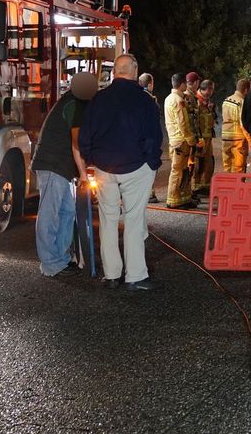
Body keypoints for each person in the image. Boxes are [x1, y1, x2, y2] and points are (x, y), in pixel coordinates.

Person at [78, 54, 162, 291]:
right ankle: (134, 276)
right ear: (134, 70)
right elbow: (153, 136)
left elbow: (84, 136)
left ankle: (112, 274)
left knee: (108, 219)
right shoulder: (144, 100)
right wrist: (152, 162)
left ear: (114, 71)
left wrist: (92, 158)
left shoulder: (98, 100)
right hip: (136, 166)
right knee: (134, 221)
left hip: (105, 167)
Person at [31, 72, 99, 277]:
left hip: (58, 165)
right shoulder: (74, 105)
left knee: (66, 212)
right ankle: (51, 263)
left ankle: (61, 258)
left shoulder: (73, 102)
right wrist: (84, 175)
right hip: (53, 164)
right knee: (49, 214)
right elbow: (76, 144)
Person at [163, 73, 200, 209]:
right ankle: (173, 200)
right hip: (181, 141)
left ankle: (182, 198)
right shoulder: (179, 100)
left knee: (183, 170)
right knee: (178, 171)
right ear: (182, 84)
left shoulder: (169, 98)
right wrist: (191, 140)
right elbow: (183, 123)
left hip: (175, 139)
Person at [138, 72, 162, 204]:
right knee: (149, 166)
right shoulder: (149, 99)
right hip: (149, 139)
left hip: (139, 139)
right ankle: (149, 194)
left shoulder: (135, 97)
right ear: (150, 84)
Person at [193, 79, 218, 194]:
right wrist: (197, 139)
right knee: (198, 163)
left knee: (209, 162)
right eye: (211, 89)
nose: (212, 92)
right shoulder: (196, 101)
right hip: (200, 138)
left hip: (208, 138)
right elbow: (194, 122)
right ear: (207, 89)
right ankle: (195, 187)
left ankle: (205, 186)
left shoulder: (207, 102)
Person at [221, 78, 251, 173]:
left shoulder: (226, 101)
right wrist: (250, 141)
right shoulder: (242, 102)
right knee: (239, 169)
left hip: (225, 138)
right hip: (238, 140)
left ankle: (227, 187)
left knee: (227, 167)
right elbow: (243, 124)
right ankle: (237, 188)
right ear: (246, 90)